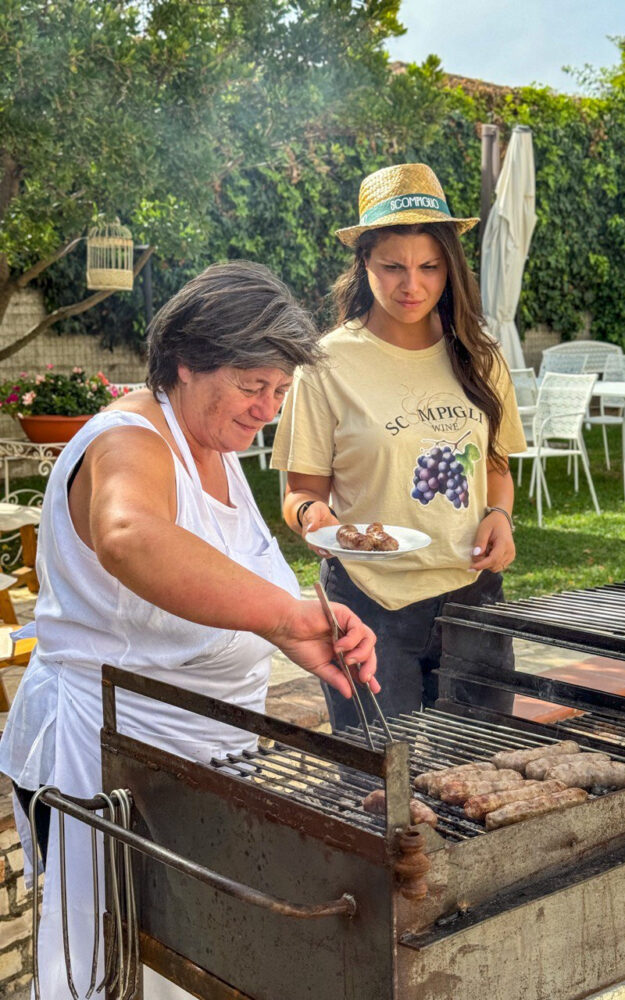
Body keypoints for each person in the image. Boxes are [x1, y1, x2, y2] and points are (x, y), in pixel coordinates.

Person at [0, 261, 378, 999]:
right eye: (252, 385)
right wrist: (280, 615)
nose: (267, 409)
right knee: (108, 973)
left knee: (192, 967)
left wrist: (302, 620)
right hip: (109, 768)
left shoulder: (215, 443)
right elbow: (129, 533)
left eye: (278, 390)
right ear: (185, 362)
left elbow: (215, 574)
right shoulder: (129, 440)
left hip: (201, 767)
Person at [272, 163, 526, 733]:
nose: (411, 285)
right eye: (393, 267)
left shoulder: (480, 358)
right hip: (369, 605)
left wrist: (501, 515)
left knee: (482, 768)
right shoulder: (326, 365)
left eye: (429, 267)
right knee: (381, 786)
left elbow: (496, 466)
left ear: (451, 269)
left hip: (473, 598)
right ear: (365, 264)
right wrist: (318, 521)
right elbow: (299, 494)